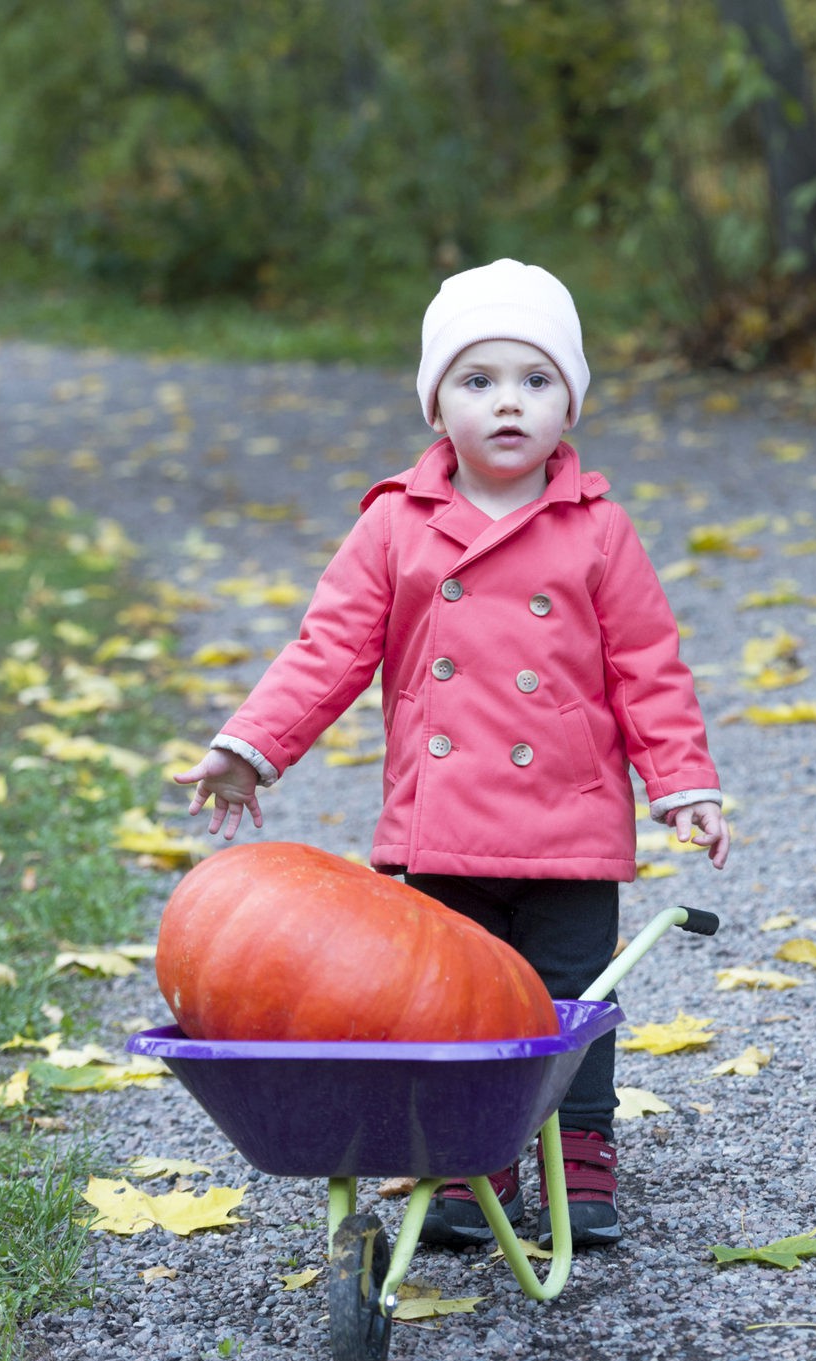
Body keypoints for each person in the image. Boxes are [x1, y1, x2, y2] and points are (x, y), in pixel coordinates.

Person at [175, 258, 730, 1250]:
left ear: (570, 401)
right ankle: (472, 1160)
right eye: (477, 382)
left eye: (535, 379)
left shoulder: (598, 532)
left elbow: (649, 666)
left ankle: (583, 1146)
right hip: (442, 828)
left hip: (568, 828)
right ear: (437, 406)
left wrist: (678, 782)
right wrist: (251, 747)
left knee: (568, 1006)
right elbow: (329, 649)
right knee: (447, 1009)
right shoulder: (397, 523)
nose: (507, 403)